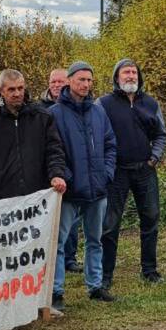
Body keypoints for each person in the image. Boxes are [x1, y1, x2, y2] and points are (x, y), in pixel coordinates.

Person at [50, 61, 118, 303]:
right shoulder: (54, 114)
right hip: (68, 191)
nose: (86, 84)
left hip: (97, 189)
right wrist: (66, 177)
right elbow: (52, 150)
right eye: (81, 79)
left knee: (94, 240)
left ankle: (95, 286)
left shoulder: (98, 111)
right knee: (57, 243)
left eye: (89, 80)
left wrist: (106, 172)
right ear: (69, 81)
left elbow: (110, 143)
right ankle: (56, 291)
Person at [98, 59, 166, 287]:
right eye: (126, 72)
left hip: (144, 169)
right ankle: (105, 275)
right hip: (116, 172)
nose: (131, 76)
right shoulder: (103, 104)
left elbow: (161, 134)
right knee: (110, 224)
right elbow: (96, 136)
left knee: (151, 218)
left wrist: (154, 157)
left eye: (134, 72)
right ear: (116, 77)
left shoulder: (150, 103)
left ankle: (149, 270)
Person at [0, 69, 67, 201]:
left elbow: (54, 150)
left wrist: (56, 174)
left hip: (37, 198)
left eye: (20, 88)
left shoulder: (42, 117)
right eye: (11, 89)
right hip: (1, 201)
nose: (17, 94)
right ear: (1, 91)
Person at [43, 68, 81, 273]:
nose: (56, 85)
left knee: (72, 221)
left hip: (73, 171)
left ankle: (70, 258)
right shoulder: (41, 109)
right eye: (52, 82)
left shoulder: (76, 107)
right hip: (50, 173)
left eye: (60, 82)